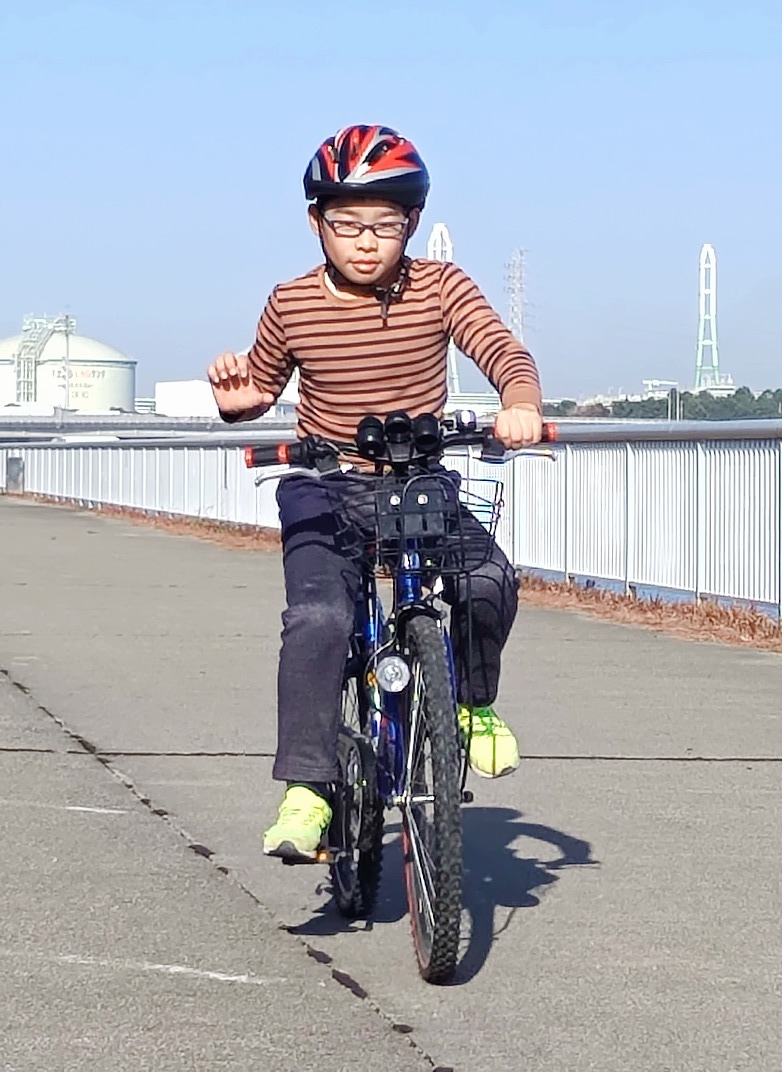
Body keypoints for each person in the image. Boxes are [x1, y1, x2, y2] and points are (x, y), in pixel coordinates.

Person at [208, 124, 543, 862]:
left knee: (488, 581)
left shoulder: (441, 287)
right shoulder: (291, 302)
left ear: (412, 224)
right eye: (346, 223)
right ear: (316, 222)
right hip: (324, 485)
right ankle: (308, 790)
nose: (366, 241)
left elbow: (501, 349)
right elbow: (260, 388)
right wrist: (237, 401)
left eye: (385, 226)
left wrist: (519, 400)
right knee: (322, 619)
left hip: (418, 479)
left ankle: (471, 705)